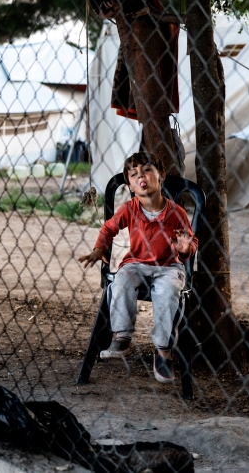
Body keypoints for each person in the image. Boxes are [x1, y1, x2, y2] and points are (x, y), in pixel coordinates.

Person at [79, 152, 197, 384]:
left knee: (166, 292)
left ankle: (163, 350)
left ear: (161, 175)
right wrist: (99, 249)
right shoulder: (129, 208)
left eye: (147, 170)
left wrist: (184, 248)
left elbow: (190, 243)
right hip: (136, 264)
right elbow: (108, 229)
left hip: (168, 267)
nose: (141, 176)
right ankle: (122, 336)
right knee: (120, 279)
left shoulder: (177, 212)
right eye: (134, 174)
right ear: (131, 186)